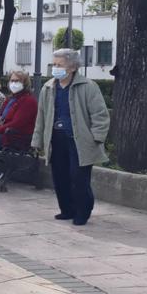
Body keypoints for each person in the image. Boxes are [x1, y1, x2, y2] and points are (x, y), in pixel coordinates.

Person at [32, 48, 110, 225]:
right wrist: (37, 139)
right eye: (54, 64)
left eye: (60, 65)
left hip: (80, 140)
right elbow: (41, 115)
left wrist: (97, 137)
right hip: (56, 138)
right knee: (60, 176)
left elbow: (100, 114)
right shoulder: (48, 87)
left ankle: (83, 211)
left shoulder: (88, 86)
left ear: (73, 67)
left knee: (79, 177)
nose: (55, 68)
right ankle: (66, 209)